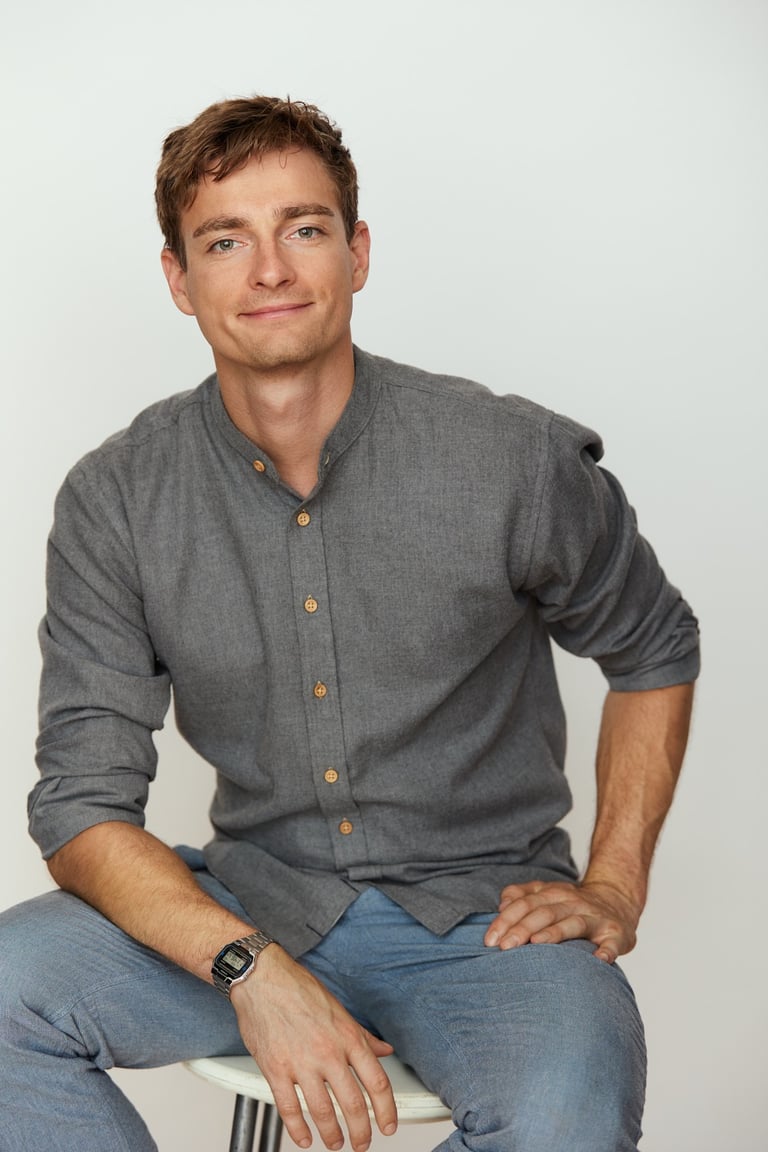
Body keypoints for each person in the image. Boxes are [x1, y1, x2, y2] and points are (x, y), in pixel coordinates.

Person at [0, 95, 699, 1152]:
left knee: (567, 1114)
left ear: (358, 253)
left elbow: (655, 646)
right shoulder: (118, 499)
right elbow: (80, 807)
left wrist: (613, 882)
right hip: (253, 907)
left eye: (305, 229)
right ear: (179, 281)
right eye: (226, 240)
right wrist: (249, 967)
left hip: (490, 925)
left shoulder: (509, 459)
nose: (270, 270)